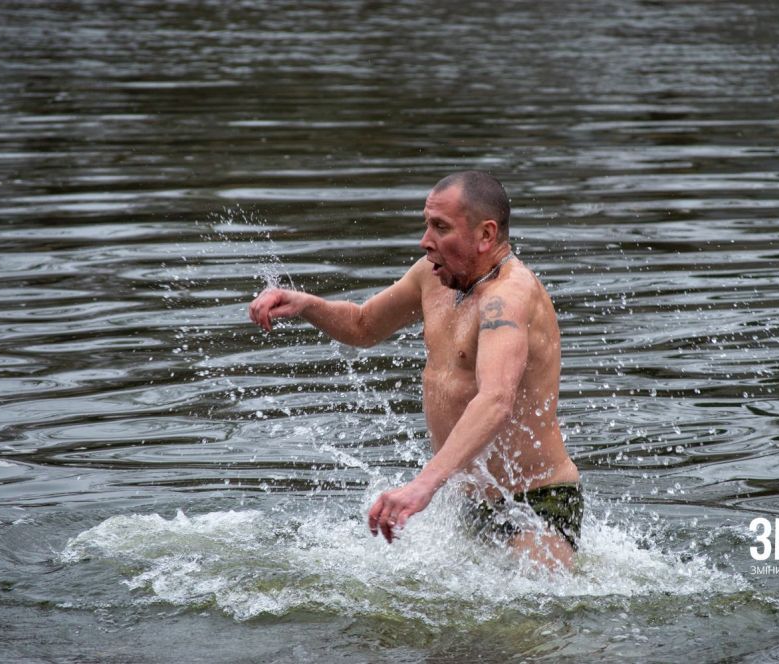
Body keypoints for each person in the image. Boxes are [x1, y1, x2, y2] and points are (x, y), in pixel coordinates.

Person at [248, 171, 582, 569]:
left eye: (440, 227)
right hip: (469, 501)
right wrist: (305, 304)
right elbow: (363, 325)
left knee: (526, 622)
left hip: (536, 504)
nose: (426, 241)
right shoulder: (432, 276)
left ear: (486, 235)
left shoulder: (508, 297)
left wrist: (422, 486)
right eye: (426, 225)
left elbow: (496, 399)